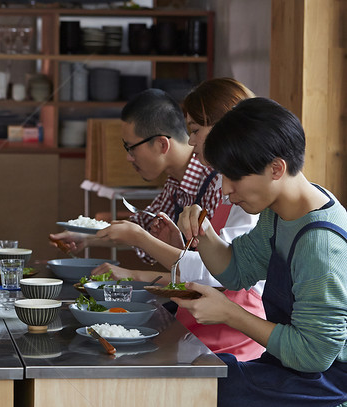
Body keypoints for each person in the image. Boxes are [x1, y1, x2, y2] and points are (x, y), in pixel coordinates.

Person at [174, 97, 347, 407]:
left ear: (276, 168)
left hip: (330, 400)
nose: (225, 189)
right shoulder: (284, 210)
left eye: (234, 177)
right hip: (294, 375)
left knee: (185, 404)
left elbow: (314, 355)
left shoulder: (320, 245)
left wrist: (230, 314)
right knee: (195, 377)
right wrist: (204, 233)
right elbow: (237, 271)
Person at [89, 78, 265, 360]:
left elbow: (221, 272)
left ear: (228, 129)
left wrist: (141, 240)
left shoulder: (248, 193)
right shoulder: (227, 186)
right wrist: (179, 244)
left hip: (231, 348)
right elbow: (212, 263)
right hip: (198, 332)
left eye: (195, 130)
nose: (191, 141)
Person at [50, 88, 222, 266]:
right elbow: (142, 225)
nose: (129, 157)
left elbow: (211, 270)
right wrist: (85, 237)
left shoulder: (217, 183)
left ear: (162, 144)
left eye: (131, 147)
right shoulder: (174, 182)